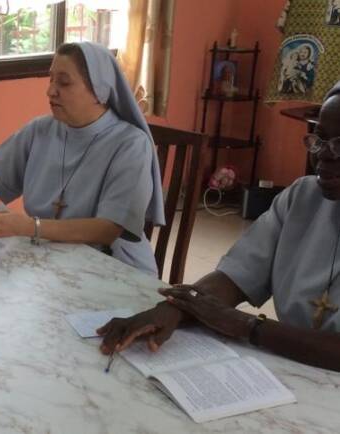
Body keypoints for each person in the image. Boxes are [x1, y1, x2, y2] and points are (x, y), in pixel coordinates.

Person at [97, 83, 340, 372]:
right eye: (320, 140)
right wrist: (171, 310)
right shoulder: (302, 198)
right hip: (298, 368)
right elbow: (235, 276)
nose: (325, 155)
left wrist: (248, 326)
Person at [0, 42, 165, 275]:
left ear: (99, 91)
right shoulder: (41, 129)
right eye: (51, 79)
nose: (50, 90)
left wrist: (29, 227)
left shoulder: (130, 144)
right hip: (52, 257)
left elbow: (108, 229)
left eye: (64, 82)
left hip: (115, 267)